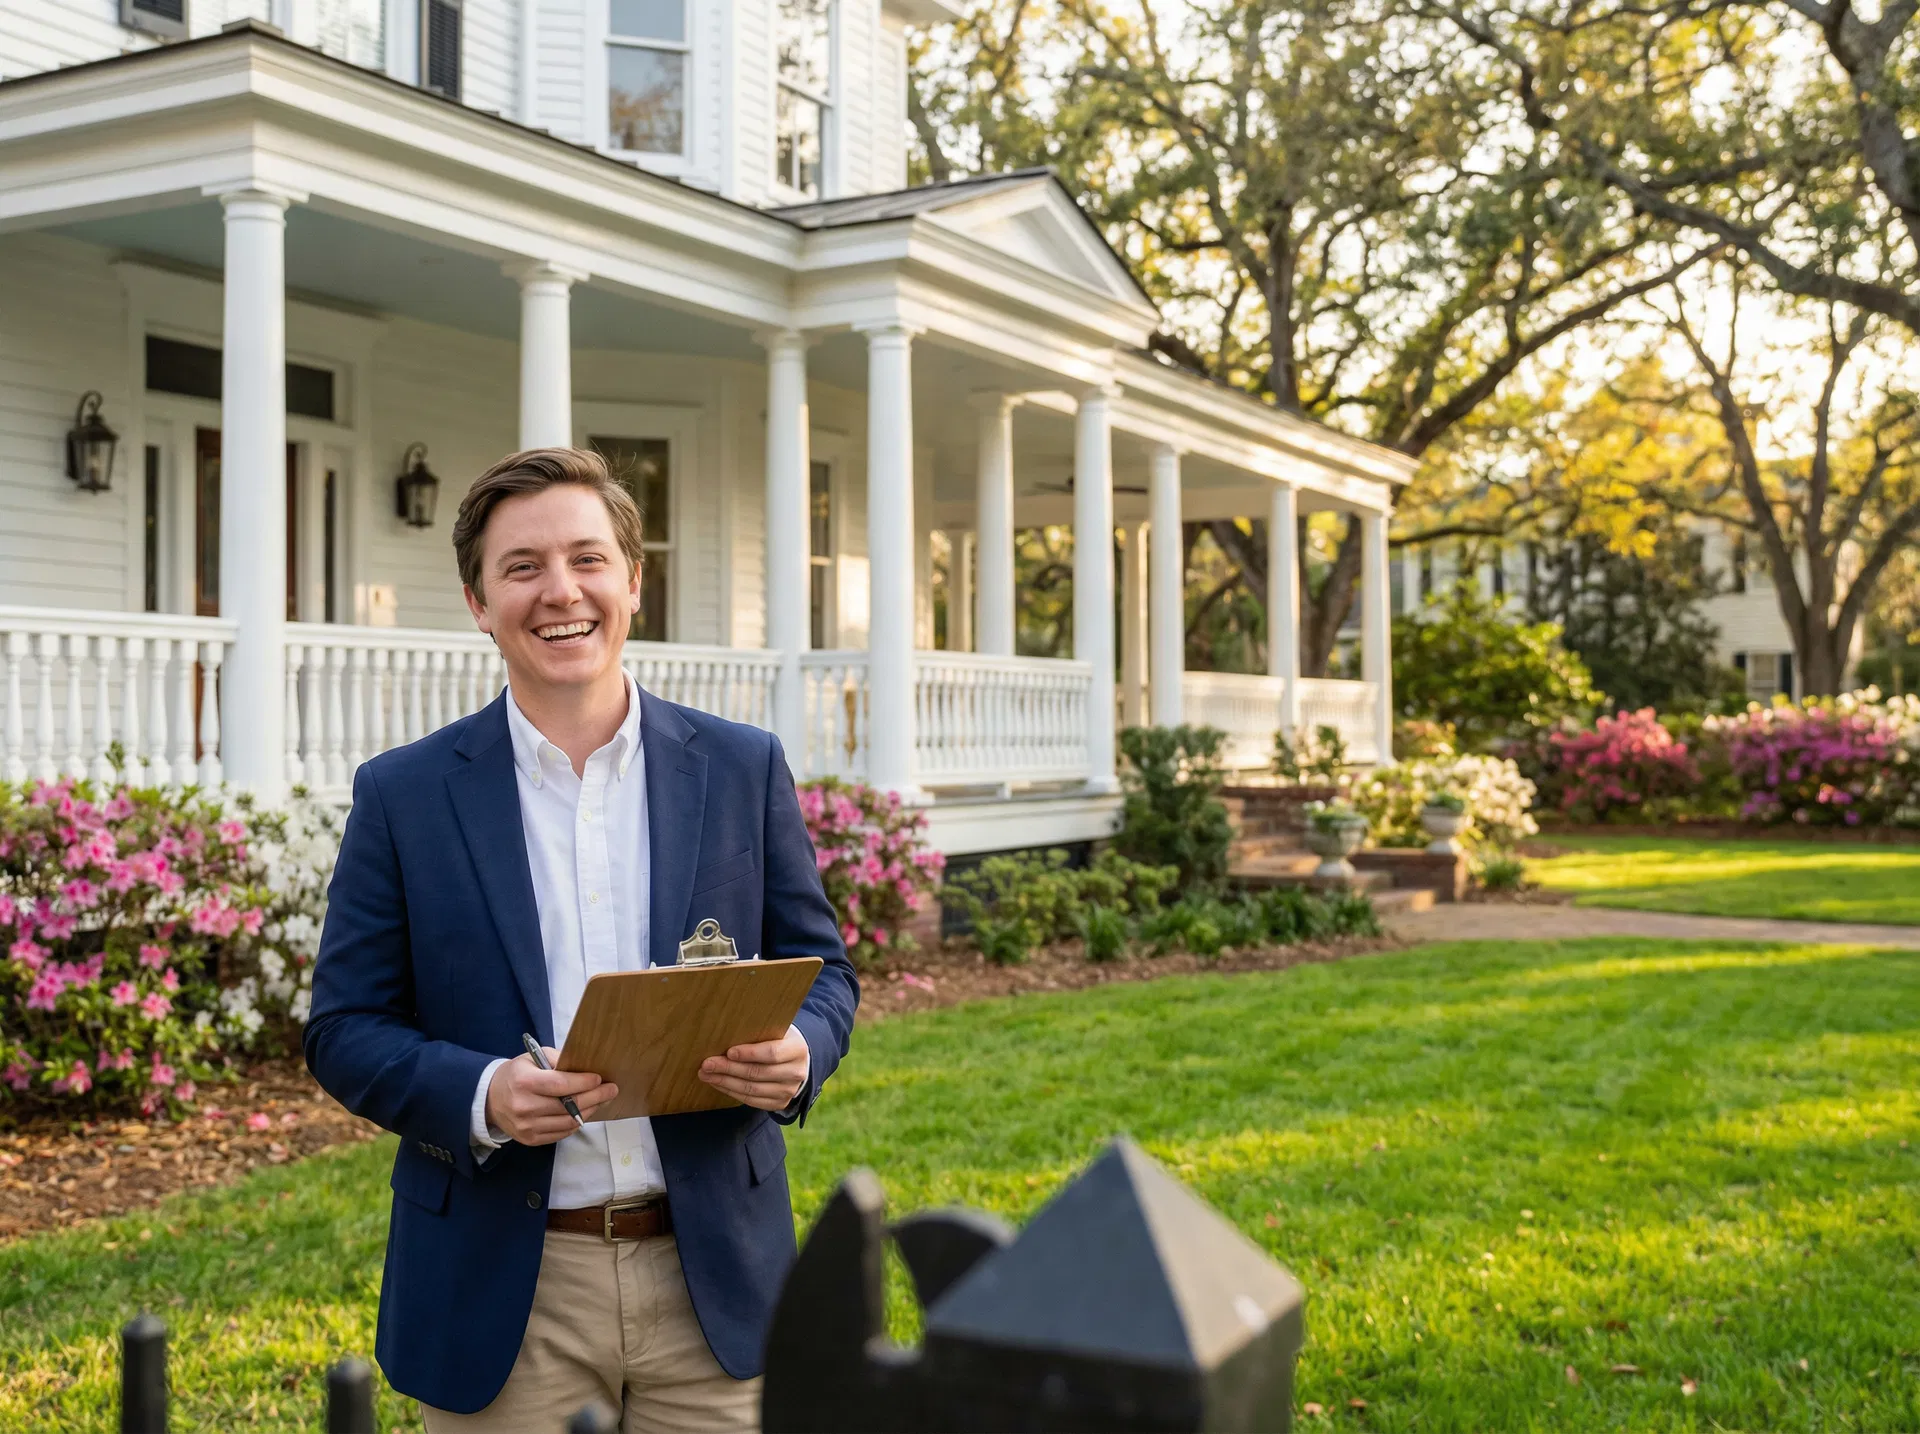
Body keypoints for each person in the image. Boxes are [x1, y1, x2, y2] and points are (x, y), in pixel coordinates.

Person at [304, 446, 858, 1431]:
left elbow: (829, 973)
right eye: (522, 567)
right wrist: (483, 1097)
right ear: (480, 601)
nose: (561, 591)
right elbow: (345, 1027)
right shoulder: (405, 795)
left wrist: (800, 1053)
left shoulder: (740, 769)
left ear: (634, 581)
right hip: (507, 1291)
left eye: (588, 559)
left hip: (715, 1278)